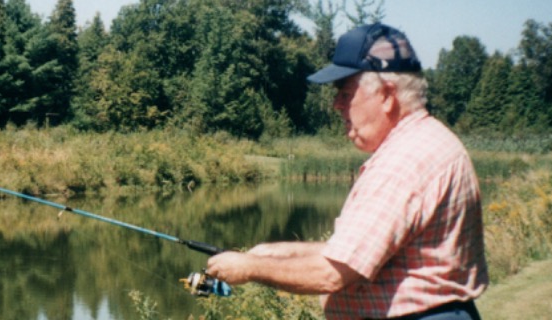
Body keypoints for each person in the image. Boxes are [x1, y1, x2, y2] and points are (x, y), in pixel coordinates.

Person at [206, 23, 488, 320]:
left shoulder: (401, 163)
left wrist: (249, 268)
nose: (336, 105)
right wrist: (277, 253)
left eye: (345, 92)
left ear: (387, 95)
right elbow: (363, 253)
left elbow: (333, 274)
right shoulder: (429, 141)